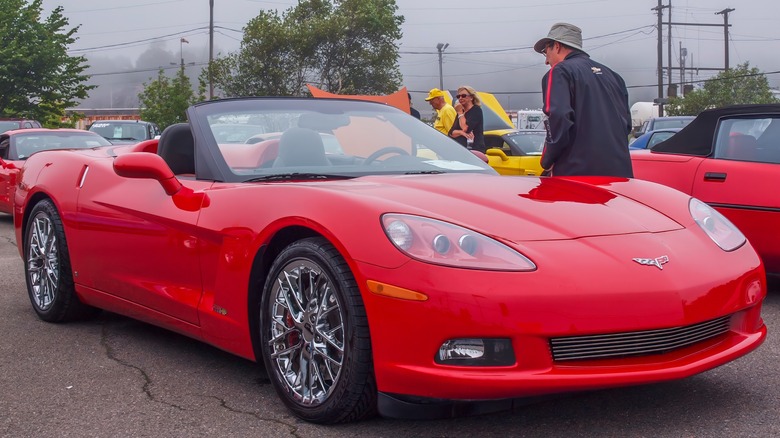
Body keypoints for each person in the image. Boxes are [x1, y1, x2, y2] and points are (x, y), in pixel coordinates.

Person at [534, 22, 633, 177]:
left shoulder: (560, 71)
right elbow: (626, 125)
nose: (546, 61)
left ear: (557, 46)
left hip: (578, 175)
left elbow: (558, 117)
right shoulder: (614, 76)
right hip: (620, 175)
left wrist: (547, 160)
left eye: (545, 52)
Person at [448, 85, 485, 152]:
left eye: (464, 96)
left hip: (475, 150)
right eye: (458, 96)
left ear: (471, 97)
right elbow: (451, 133)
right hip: (461, 149)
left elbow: (465, 129)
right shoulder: (461, 112)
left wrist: (460, 113)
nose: (460, 98)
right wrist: (461, 132)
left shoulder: (476, 110)